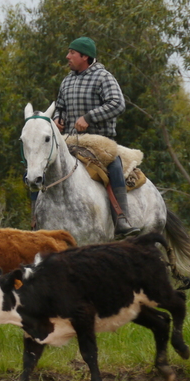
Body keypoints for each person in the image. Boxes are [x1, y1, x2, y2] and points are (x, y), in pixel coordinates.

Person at [52, 36, 140, 238]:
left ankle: (121, 219)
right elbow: (61, 106)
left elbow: (118, 104)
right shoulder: (67, 80)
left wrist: (89, 117)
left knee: (115, 167)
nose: (68, 56)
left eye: (72, 53)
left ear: (84, 56)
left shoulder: (103, 77)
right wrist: (58, 118)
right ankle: (37, 220)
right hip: (71, 141)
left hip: (100, 142)